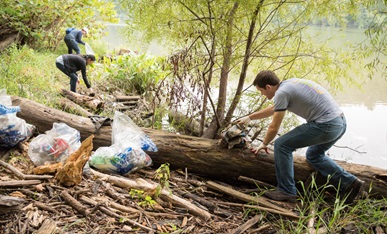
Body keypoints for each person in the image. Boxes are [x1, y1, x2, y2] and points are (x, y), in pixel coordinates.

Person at [235, 70, 364, 203]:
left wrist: (264, 143)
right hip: (340, 123)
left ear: (268, 87)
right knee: (314, 155)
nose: (262, 94)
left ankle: (287, 191)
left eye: (261, 90)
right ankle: (351, 183)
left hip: (326, 125)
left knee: (281, 145)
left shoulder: (281, 93)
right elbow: (274, 108)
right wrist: (250, 117)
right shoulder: (288, 84)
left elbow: (274, 127)